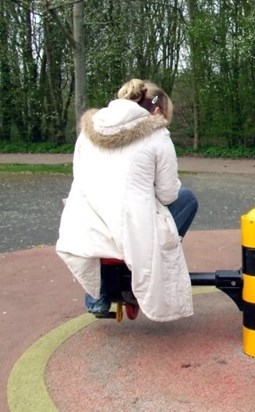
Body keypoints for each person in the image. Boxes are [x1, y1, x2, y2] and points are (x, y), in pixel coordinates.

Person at [56, 78, 198, 322]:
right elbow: (167, 194)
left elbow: (79, 177)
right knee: (187, 199)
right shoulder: (158, 135)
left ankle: (99, 295)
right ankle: (136, 282)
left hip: (82, 225)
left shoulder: (89, 131)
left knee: (100, 212)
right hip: (130, 229)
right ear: (157, 111)